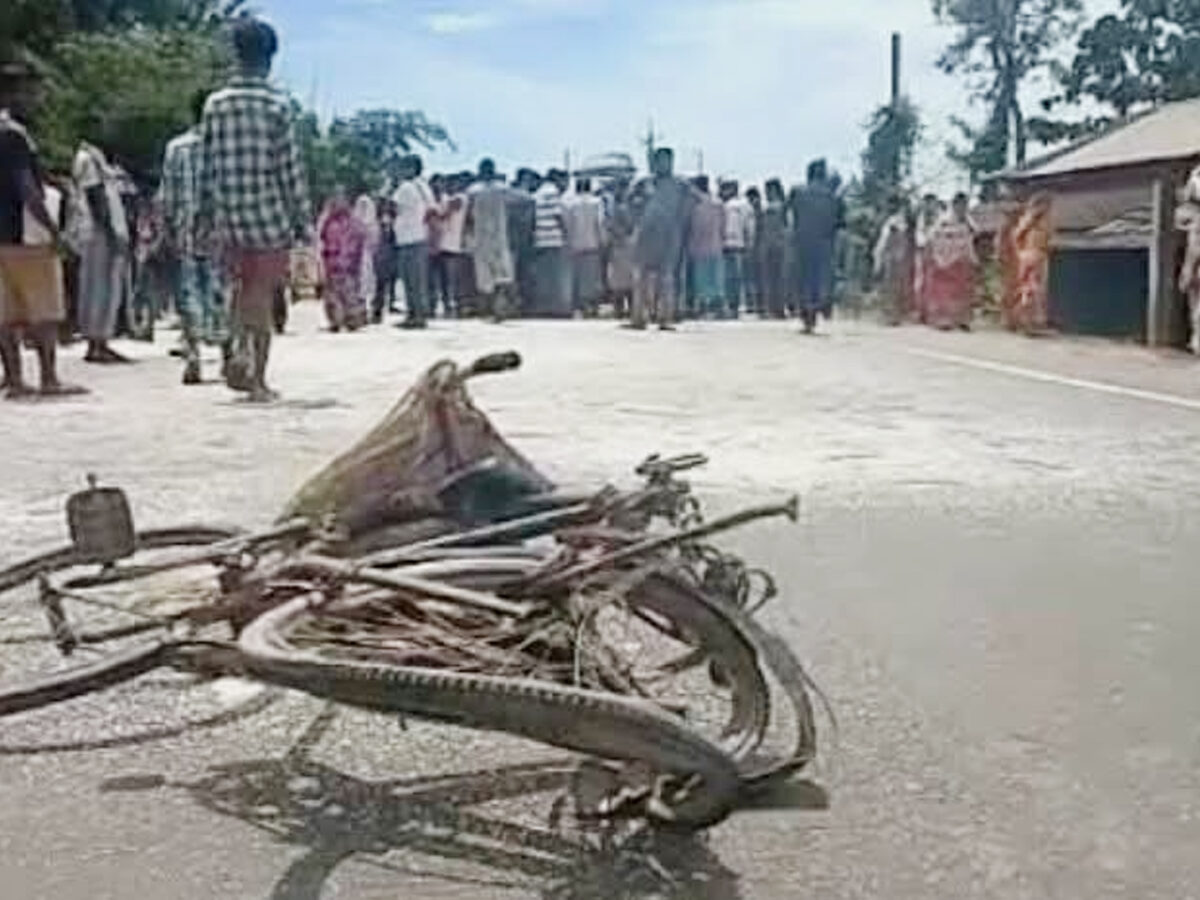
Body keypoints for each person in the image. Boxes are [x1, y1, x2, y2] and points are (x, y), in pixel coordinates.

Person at [199, 16, 313, 402]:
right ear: (271, 57)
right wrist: (301, 220)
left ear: (235, 53)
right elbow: (289, 170)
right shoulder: (278, 107)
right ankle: (259, 378)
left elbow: (206, 165)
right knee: (262, 296)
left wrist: (203, 216)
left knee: (236, 291)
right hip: (268, 218)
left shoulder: (214, 105)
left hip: (226, 217)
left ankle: (234, 351)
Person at [0, 64, 83, 398]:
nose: (35, 100)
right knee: (44, 307)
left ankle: (15, 379)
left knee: (4, 311)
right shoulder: (14, 134)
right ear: (13, 93)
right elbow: (25, 188)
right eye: (30, 92)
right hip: (25, 233)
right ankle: (49, 377)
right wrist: (55, 233)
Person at [163, 89, 229, 384]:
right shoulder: (225, 148)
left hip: (185, 231)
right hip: (219, 234)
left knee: (188, 295)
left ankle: (193, 358)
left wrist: (167, 230)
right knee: (222, 293)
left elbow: (167, 195)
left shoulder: (176, 147)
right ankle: (228, 355)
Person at [73, 137, 131, 363]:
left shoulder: (95, 157)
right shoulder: (88, 158)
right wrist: (111, 232)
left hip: (103, 231)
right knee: (100, 286)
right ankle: (97, 342)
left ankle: (100, 341)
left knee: (103, 286)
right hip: (100, 232)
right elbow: (95, 196)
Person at [629, 148, 695, 331]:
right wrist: (637, 215)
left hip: (669, 234)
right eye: (660, 160)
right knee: (640, 276)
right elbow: (628, 202)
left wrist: (681, 223)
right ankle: (638, 317)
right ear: (654, 162)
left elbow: (693, 202)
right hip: (646, 234)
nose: (664, 164)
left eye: (668, 160)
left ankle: (665, 317)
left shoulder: (680, 184)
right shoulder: (643, 183)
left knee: (667, 277)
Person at [789, 159, 844, 334]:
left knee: (802, 278)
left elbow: (787, 213)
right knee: (820, 277)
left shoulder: (797, 192)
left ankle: (807, 313)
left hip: (802, 241)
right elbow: (840, 222)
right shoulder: (832, 196)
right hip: (824, 242)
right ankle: (818, 306)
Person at [464, 158, 517, 322]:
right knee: (501, 275)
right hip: (499, 237)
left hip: (481, 238)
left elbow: (468, 216)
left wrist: (466, 236)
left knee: (484, 277)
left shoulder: (473, 190)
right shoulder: (503, 189)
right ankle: (499, 308)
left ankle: (488, 310)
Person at [391, 154, 435, 329]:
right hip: (420, 236)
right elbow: (432, 211)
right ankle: (420, 313)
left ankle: (414, 316)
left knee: (410, 280)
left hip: (407, 238)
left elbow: (392, 207)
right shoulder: (425, 187)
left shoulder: (405, 187)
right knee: (419, 280)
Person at [923, 192, 977, 331]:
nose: (962, 208)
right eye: (960, 205)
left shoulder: (968, 221)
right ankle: (943, 319)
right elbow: (932, 239)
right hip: (943, 260)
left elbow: (972, 237)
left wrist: (971, 257)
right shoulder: (943, 221)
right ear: (954, 205)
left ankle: (963, 319)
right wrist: (936, 257)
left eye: (965, 205)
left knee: (963, 291)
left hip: (962, 259)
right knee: (944, 291)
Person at [319, 186, 368, 332]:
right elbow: (320, 238)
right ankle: (335, 320)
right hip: (331, 260)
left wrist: (352, 257)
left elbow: (359, 239)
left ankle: (353, 319)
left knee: (350, 292)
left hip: (348, 262)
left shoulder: (353, 221)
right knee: (332, 293)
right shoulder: (327, 220)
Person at [564, 177, 606, 316]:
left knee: (577, 277)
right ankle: (591, 307)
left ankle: (579, 307)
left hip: (575, 244)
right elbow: (600, 222)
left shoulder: (571, 204)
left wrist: (569, 241)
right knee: (592, 277)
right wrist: (603, 240)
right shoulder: (596, 202)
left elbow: (568, 224)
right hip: (593, 243)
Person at [533, 169, 571, 317]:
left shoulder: (538, 193)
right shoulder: (553, 192)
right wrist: (567, 236)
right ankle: (557, 309)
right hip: (553, 239)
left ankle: (545, 307)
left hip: (540, 239)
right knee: (556, 277)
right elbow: (558, 216)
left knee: (545, 277)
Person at [687, 175, 725, 319]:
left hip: (698, 247)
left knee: (701, 281)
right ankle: (718, 308)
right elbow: (723, 225)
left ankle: (703, 308)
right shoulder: (718, 203)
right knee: (716, 280)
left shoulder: (694, 204)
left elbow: (691, 226)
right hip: (716, 246)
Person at [873, 196, 914, 326]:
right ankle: (891, 315)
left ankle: (893, 316)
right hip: (890, 255)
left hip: (895, 256)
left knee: (894, 286)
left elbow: (892, 239)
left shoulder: (896, 221)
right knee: (890, 286)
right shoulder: (890, 220)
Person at [720, 179, 754, 318]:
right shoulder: (745, 205)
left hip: (731, 246)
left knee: (731, 278)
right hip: (735, 245)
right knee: (733, 278)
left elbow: (748, 227)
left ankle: (733, 306)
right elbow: (750, 227)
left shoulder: (728, 205)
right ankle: (732, 306)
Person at [605, 178, 636, 317]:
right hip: (622, 245)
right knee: (622, 280)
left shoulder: (622, 206)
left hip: (623, 245)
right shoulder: (620, 206)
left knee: (622, 280)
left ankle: (623, 309)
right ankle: (623, 309)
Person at [760, 179, 789, 319]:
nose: (766, 193)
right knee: (774, 279)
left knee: (776, 279)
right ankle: (774, 308)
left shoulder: (778, 208)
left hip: (777, 245)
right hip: (773, 245)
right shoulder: (776, 208)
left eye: (769, 190)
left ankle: (777, 308)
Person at [353, 192, 379, 321]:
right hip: (354, 257)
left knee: (365, 284)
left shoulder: (373, 225)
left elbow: (374, 242)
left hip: (366, 257)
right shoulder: (353, 223)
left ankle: (365, 312)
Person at [373, 199, 398, 322]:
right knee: (381, 283)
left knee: (386, 283)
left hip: (389, 254)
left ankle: (383, 307)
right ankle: (377, 310)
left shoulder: (393, 223)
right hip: (383, 254)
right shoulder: (379, 223)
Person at [744, 186, 764, 315]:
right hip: (755, 247)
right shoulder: (755, 211)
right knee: (755, 278)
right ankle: (755, 304)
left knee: (755, 278)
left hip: (756, 247)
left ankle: (756, 304)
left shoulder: (758, 211)